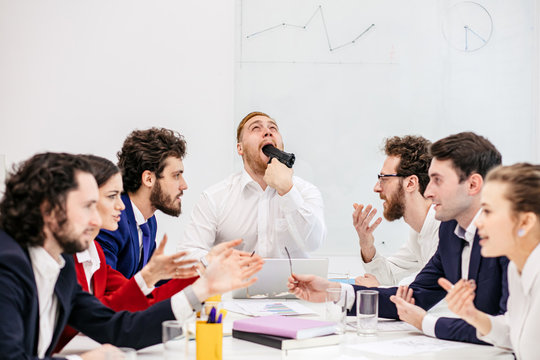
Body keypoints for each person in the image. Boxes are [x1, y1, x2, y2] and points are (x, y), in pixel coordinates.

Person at [0, 152, 264, 359]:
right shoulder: (7, 264)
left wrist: (202, 290)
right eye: (87, 206)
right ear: (49, 209)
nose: (95, 220)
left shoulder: (62, 263)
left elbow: (117, 327)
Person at [288, 132, 509, 344]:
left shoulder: (509, 236)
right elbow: (414, 298)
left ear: (472, 185)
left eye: (438, 180)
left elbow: (507, 329)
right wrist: (333, 291)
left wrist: (426, 323)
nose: (429, 192)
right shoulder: (451, 232)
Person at [54, 154, 202, 352]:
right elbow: (111, 311)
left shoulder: (97, 249)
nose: (121, 205)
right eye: (111, 196)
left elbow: (136, 298)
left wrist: (203, 277)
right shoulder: (75, 253)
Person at [179, 111, 326, 259]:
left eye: (273, 128)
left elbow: (312, 243)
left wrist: (287, 190)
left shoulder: (306, 191)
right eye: (256, 128)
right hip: (236, 281)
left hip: (290, 283)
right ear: (240, 148)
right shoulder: (214, 198)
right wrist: (222, 262)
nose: (268, 132)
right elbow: (188, 253)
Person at [438, 163, 540, 360]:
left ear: (525, 222)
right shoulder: (516, 269)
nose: (478, 222)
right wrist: (472, 315)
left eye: (488, 211)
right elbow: (517, 334)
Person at [96, 127, 189, 278]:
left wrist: (199, 274)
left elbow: (151, 279)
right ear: (148, 179)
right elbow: (110, 289)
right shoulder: (113, 220)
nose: (184, 185)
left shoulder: (149, 222)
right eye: (176, 175)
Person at [353, 135, 440, 286]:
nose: (376, 188)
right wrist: (367, 245)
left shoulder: (444, 226)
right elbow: (388, 277)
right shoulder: (418, 231)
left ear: (411, 183)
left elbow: (431, 294)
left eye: (384, 179)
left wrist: (381, 292)